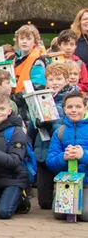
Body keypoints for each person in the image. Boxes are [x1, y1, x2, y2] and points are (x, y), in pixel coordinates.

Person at [31, 62, 74, 209]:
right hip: (43, 150)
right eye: (51, 79)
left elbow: (66, 124)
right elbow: (32, 128)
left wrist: (50, 124)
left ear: (66, 80)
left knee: (64, 192)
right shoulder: (40, 97)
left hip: (61, 151)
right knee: (44, 203)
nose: (54, 83)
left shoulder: (69, 99)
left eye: (58, 79)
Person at [46, 92, 88, 221]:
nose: (74, 110)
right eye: (70, 107)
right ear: (64, 109)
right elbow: (50, 161)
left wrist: (83, 155)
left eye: (78, 107)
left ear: (85, 108)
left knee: (85, 214)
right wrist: (63, 157)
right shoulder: (60, 131)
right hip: (67, 181)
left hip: (87, 183)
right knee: (59, 214)